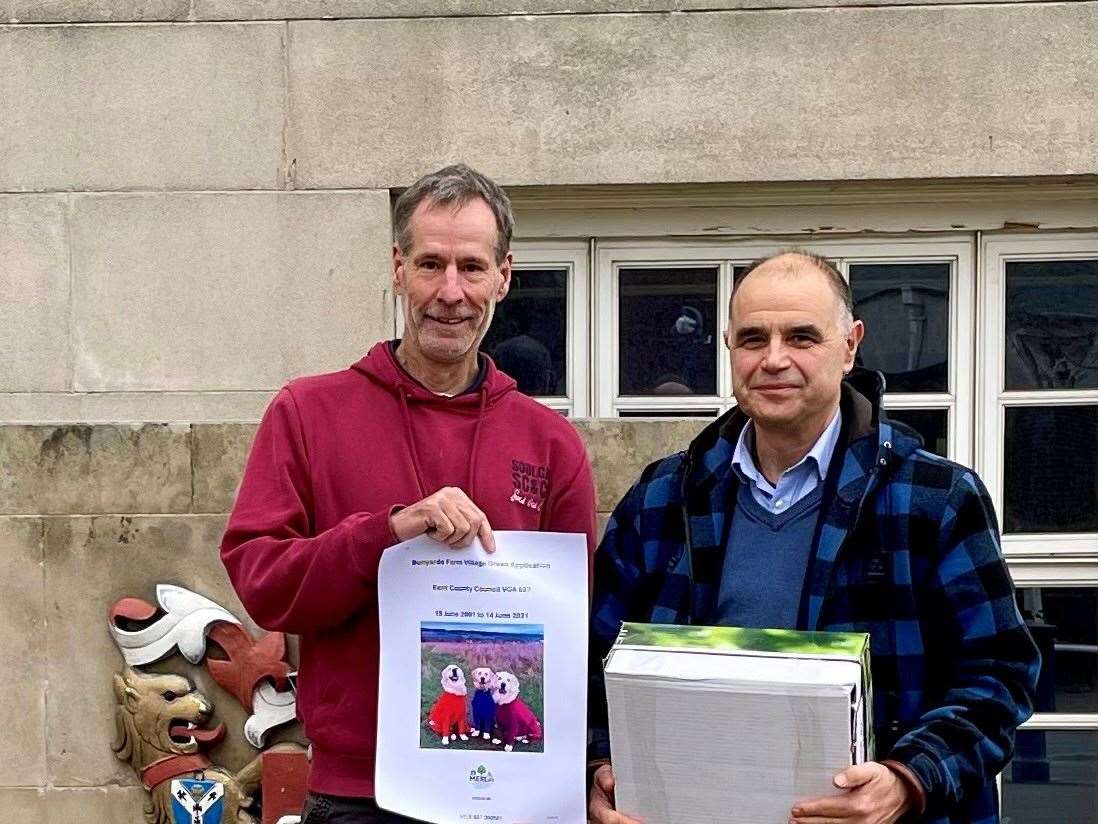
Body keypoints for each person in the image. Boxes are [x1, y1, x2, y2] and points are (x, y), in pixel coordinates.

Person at [587, 251, 1039, 824]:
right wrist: (598, 769)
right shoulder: (661, 500)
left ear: (850, 345)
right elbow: (593, 667)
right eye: (753, 338)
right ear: (728, 346)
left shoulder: (935, 499)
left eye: (801, 336)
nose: (774, 359)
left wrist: (908, 780)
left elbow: (1001, 674)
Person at [221, 164, 597, 823]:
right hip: (359, 794)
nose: (450, 292)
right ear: (398, 268)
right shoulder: (308, 413)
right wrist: (384, 533)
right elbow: (263, 585)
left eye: (472, 268)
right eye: (431, 264)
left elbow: (577, 626)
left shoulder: (550, 442)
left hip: (511, 788)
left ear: (504, 276)